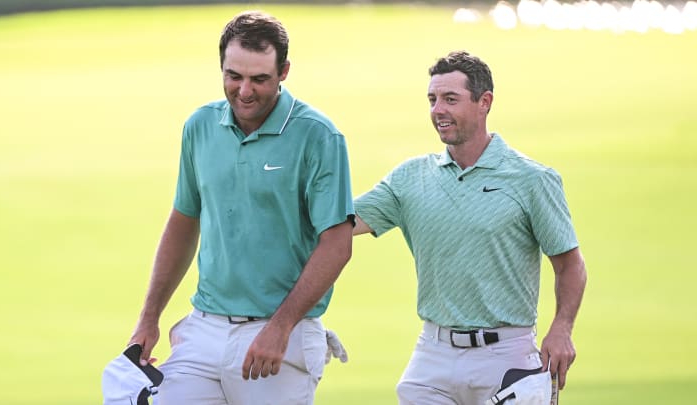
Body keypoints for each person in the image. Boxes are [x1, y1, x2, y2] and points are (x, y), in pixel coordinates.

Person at [127, 11, 354, 405]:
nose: (245, 91)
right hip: (203, 329)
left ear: (284, 71)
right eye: (234, 76)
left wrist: (281, 328)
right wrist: (149, 318)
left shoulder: (319, 137)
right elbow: (184, 222)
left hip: (280, 335)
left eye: (259, 79)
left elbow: (337, 243)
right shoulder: (200, 126)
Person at [353, 50, 587, 404]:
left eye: (450, 99)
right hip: (432, 355)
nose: (438, 110)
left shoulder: (532, 180)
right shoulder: (410, 177)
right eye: (432, 100)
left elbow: (570, 265)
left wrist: (562, 328)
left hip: (505, 356)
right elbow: (340, 223)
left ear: (485, 102)